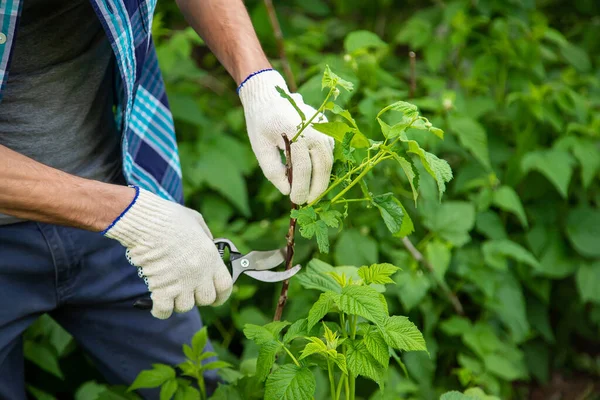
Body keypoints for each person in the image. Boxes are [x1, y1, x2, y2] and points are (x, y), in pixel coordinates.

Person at [0, 0, 334, 397]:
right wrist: (130, 216)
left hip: (121, 196)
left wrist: (258, 80)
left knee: (193, 386)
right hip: (124, 216)